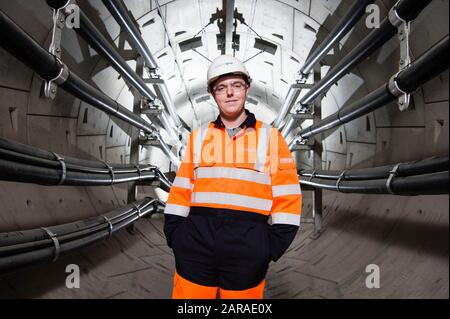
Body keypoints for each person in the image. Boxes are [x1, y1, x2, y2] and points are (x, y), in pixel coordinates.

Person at [163, 55, 302, 299]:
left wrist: (269, 247)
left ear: (247, 89)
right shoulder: (200, 136)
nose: (230, 93)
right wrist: (176, 234)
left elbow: (287, 195)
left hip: (247, 250)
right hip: (196, 247)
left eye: (236, 85)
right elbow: (182, 189)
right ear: (213, 94)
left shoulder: (271, 138)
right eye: (221, 88)